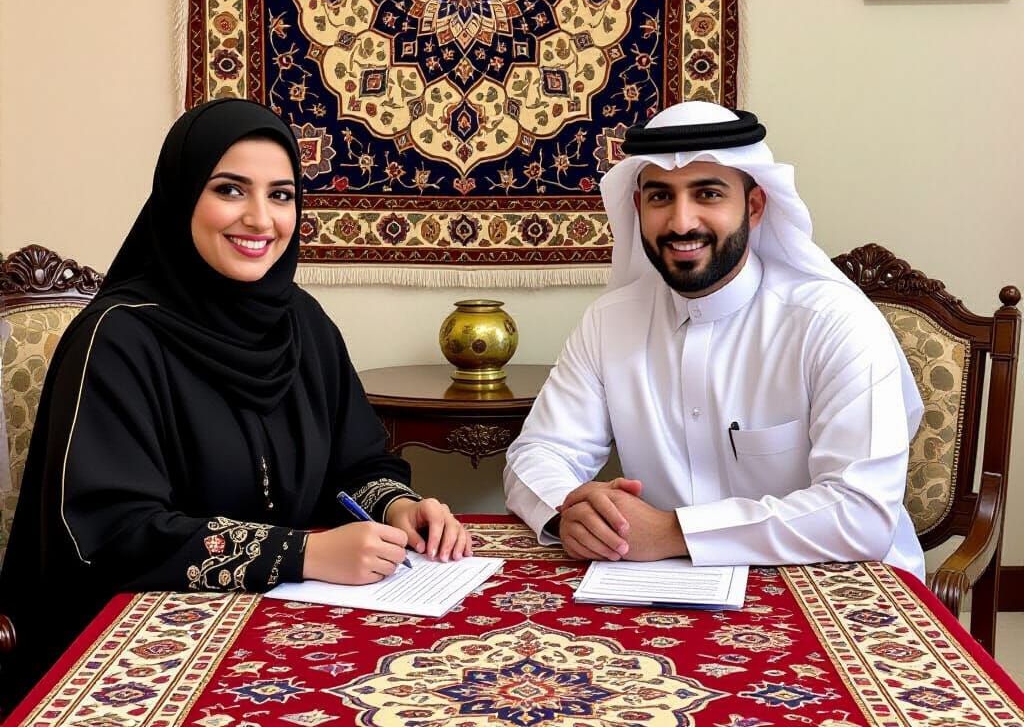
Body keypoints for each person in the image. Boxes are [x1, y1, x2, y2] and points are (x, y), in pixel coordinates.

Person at [0, 99, 470, 710]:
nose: (260, 218)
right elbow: (114, 533)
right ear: (181, 197)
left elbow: (358, 464)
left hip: (289, 630)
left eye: (281, 195)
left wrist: (399, 505)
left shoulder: (303, 324)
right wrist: (304, 552)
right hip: (139, 655)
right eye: (230, 190)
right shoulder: (117, 338)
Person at [504, 101, 925, 579]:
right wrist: (570, 511)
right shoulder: (610, 322)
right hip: (661, 582)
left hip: (833, 583)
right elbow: (536, 454)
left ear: (754, 205)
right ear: (638, 208)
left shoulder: (833, 322)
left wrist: (672, 532)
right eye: (661, 197)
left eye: (707, 194)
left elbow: (861, 513)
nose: (682, 222)